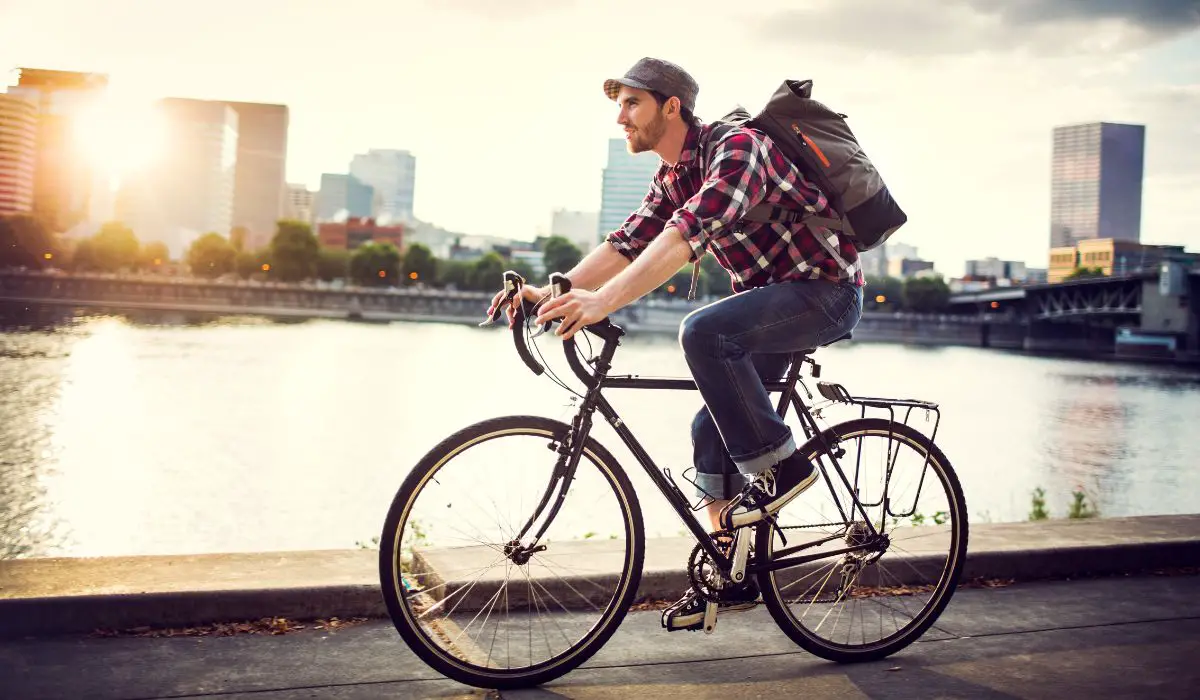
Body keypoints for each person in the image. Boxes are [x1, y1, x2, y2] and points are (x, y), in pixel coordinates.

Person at [487, 57, 864, 631]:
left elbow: (687, 236)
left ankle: (786, 472)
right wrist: (551, 292)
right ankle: (735, 576)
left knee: (703, 332)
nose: (620, 117)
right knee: (709, 429)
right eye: (618, 105)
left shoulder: (738, 149)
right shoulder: (671, 177)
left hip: (824, 294)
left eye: (632, 103)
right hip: (771, 306)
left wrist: (602, 303)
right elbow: (628, 243)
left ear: (671, 107)